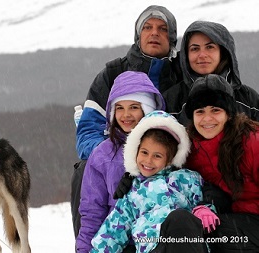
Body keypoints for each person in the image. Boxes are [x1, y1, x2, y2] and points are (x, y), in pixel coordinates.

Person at [72, 5, 182, 238]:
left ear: (171, 39)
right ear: (137, 35)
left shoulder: (180, 77)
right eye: (147, 27)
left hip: (164, 164)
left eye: (162, 29)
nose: (154, 33)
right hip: (111, 157)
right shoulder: (112, 74)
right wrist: (117, 158)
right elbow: (87, 132)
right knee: (84, 170)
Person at [91, 110, 217, 253]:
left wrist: (205, 210)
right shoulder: (132, 193)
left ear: (169, 159)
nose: (148, 161)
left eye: (157, 156)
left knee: (180, 218)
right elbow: (111, 234)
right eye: (144, 152)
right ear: (136, 151)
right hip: (154, 248)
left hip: (186, 244)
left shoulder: (187, 180)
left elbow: (207, 201)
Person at [76, 71, 165, 253]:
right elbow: (92, 211)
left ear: (147, 109)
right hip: (117, 242)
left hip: (157, 240)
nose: (126, 115)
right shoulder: (103, 154)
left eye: (133, 107)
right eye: (119, 108)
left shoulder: (165, 146)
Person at [184, 74, 259, 252]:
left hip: (254, 218)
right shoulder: (190, 149)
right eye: (200, 111)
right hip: (231, 214)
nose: (207, 118)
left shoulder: (251, 142)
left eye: (215, 110)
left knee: (216, 238)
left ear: (229, 114)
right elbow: (158, 160)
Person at [164, 20, 259, 124]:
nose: (202, 55)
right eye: (195, 49)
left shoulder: (248, 98)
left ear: (223, 52)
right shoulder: (172, 100)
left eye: (210, 47)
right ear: (186, 56)